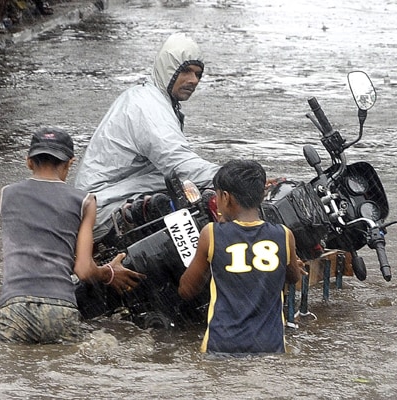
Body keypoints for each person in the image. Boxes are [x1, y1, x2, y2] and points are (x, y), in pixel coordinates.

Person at [0, 127, 146, 344]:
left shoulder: (6, 195)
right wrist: (108, 273)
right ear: (69, 163)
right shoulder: (85, 201)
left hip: (15, 306)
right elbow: (83, 270)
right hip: (60, 307)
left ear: (28, 162)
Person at [74, 33, 220, 241]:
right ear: (168, 69)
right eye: (186, 71)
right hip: (104, 209)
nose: (193, 80)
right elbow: (179, 164)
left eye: (198, 74)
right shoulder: (148, 107)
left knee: (195, 192)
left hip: (114, 197)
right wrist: (233, 178)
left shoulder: (155, 100)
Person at [178, 160, 306, 354]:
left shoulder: (211, 234)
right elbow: (293, 277)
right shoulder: (284, 235)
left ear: (226, 197)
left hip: (222, 347)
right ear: (262, 196)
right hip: (269, 348)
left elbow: (186, 290)